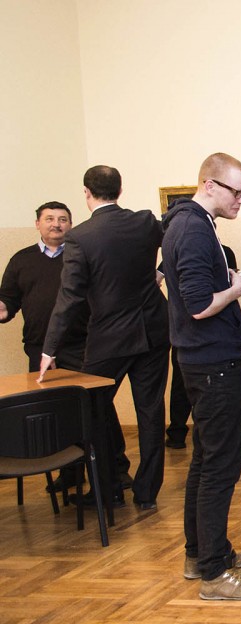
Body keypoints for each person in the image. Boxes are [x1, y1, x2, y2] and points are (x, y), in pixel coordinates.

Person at [162, 152, 241, 601]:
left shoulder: (190, 223)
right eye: (237, 192)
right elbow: (198, 305)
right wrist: (238, 286)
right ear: (209, 185)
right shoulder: (192, 228)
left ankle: (202, 554)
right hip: (213, 363)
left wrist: (223, 279)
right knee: (219, 467)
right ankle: (214, 574)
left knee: (206, 460)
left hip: (202, 360)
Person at [40, 166, 170, 512]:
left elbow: (70, 298)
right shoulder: (145, 222)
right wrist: (159, 273)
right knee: (151, 412)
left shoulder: (80, 237)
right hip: (154, 329)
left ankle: (108, 489)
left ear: (87, 192)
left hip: (110, 337)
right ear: (119, 190)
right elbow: (177, 243)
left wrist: (49, 348)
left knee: (93, 410)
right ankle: (146, 492)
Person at [165, 240, 237, 450]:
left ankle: (183, 433)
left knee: (189, 389)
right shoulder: (186, 245)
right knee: (186, 388)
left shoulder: (223, 252)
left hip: (198, 332)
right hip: (198, 331)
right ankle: (179, 432)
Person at [0, 202, 87, 373]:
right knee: (42, 391)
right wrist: (4, 308)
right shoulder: (21, 259)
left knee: (83, 391)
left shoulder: (83, 257)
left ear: (71, 225)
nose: (56, 224)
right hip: (38, 347)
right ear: (37, 224)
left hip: (80, 347)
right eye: (49, 219)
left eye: (62, 220)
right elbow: (9, 297)